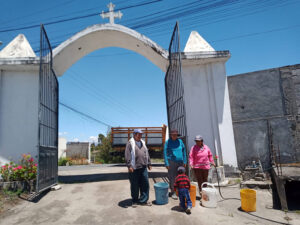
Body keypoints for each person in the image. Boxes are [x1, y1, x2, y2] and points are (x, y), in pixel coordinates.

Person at [125, 129, 152, 207]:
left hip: (143, 167)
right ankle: (135, 200)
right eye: (138, 134)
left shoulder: (143, 142)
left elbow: (146, 153)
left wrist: (149, 163)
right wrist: (129, 165)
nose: (140, 136)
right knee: (134, 185)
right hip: (134, 168)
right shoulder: (130, 143)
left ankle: (144, 200)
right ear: (134, 135)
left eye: (141, 134)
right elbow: (127, 155)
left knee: (145, 184)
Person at [163, 129, 187, 199]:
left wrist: (185, 161)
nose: (174, 136)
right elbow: (165, 153)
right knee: (172, 177)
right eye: (173, 135)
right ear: (171, 135)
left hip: (180, 162)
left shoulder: (180, 141)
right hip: (172, 162)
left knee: (181, 177)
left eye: (175, 135)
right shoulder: (168, 142)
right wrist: (166, 163)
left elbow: (184, 151)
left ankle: (180, 191)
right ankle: (173, 192)